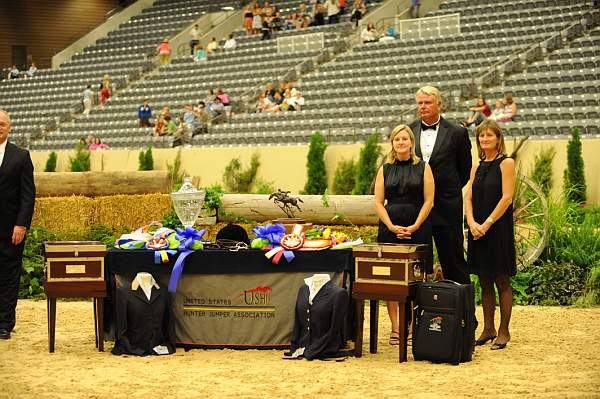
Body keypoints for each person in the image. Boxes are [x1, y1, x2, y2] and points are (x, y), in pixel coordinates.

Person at [374, 124, 434, 346]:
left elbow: (429, 200)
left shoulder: (424, 167)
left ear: (411, 142)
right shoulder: (385, 169)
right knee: (392, 280)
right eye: (396, 139)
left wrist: (416, 225)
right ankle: (396, 328)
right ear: (392, 143)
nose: (400, 142)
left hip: (417, 229)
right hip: (390, 229)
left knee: (415, 281)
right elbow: (378, 202)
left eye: (404, 139)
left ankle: (413, 328)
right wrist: (390, 226)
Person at [409, 85, 472, 284]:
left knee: (454, 262)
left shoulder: (457, 132)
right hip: (417, 208)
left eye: (427, 102)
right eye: (420, 103)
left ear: (439, 104)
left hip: (447, 207)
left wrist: (448, 191)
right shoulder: (409, 130)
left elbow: (465, 169)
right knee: (417, 265)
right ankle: (418, 314)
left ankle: (466, 314)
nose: (423, 106)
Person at [465, 119, 516, 351]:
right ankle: (488, 328)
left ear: (498, 138)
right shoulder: (477, 165)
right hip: (477, 230)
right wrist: (472, 222)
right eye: (481, 136)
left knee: (501, 279)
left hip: (497, 229)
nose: (485, 139)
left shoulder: (507, 163)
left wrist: (486, 223)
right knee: (484, 279)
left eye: (489, 136)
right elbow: (469, 197)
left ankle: (504, 330)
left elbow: (507, 197)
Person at [0, 110, 36, 340]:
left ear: (9, 127)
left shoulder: (21, 156)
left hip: (10, 229)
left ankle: (4, 323)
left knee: (8, 275)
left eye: (2, 124)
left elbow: (28, 195)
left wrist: (21, 225)